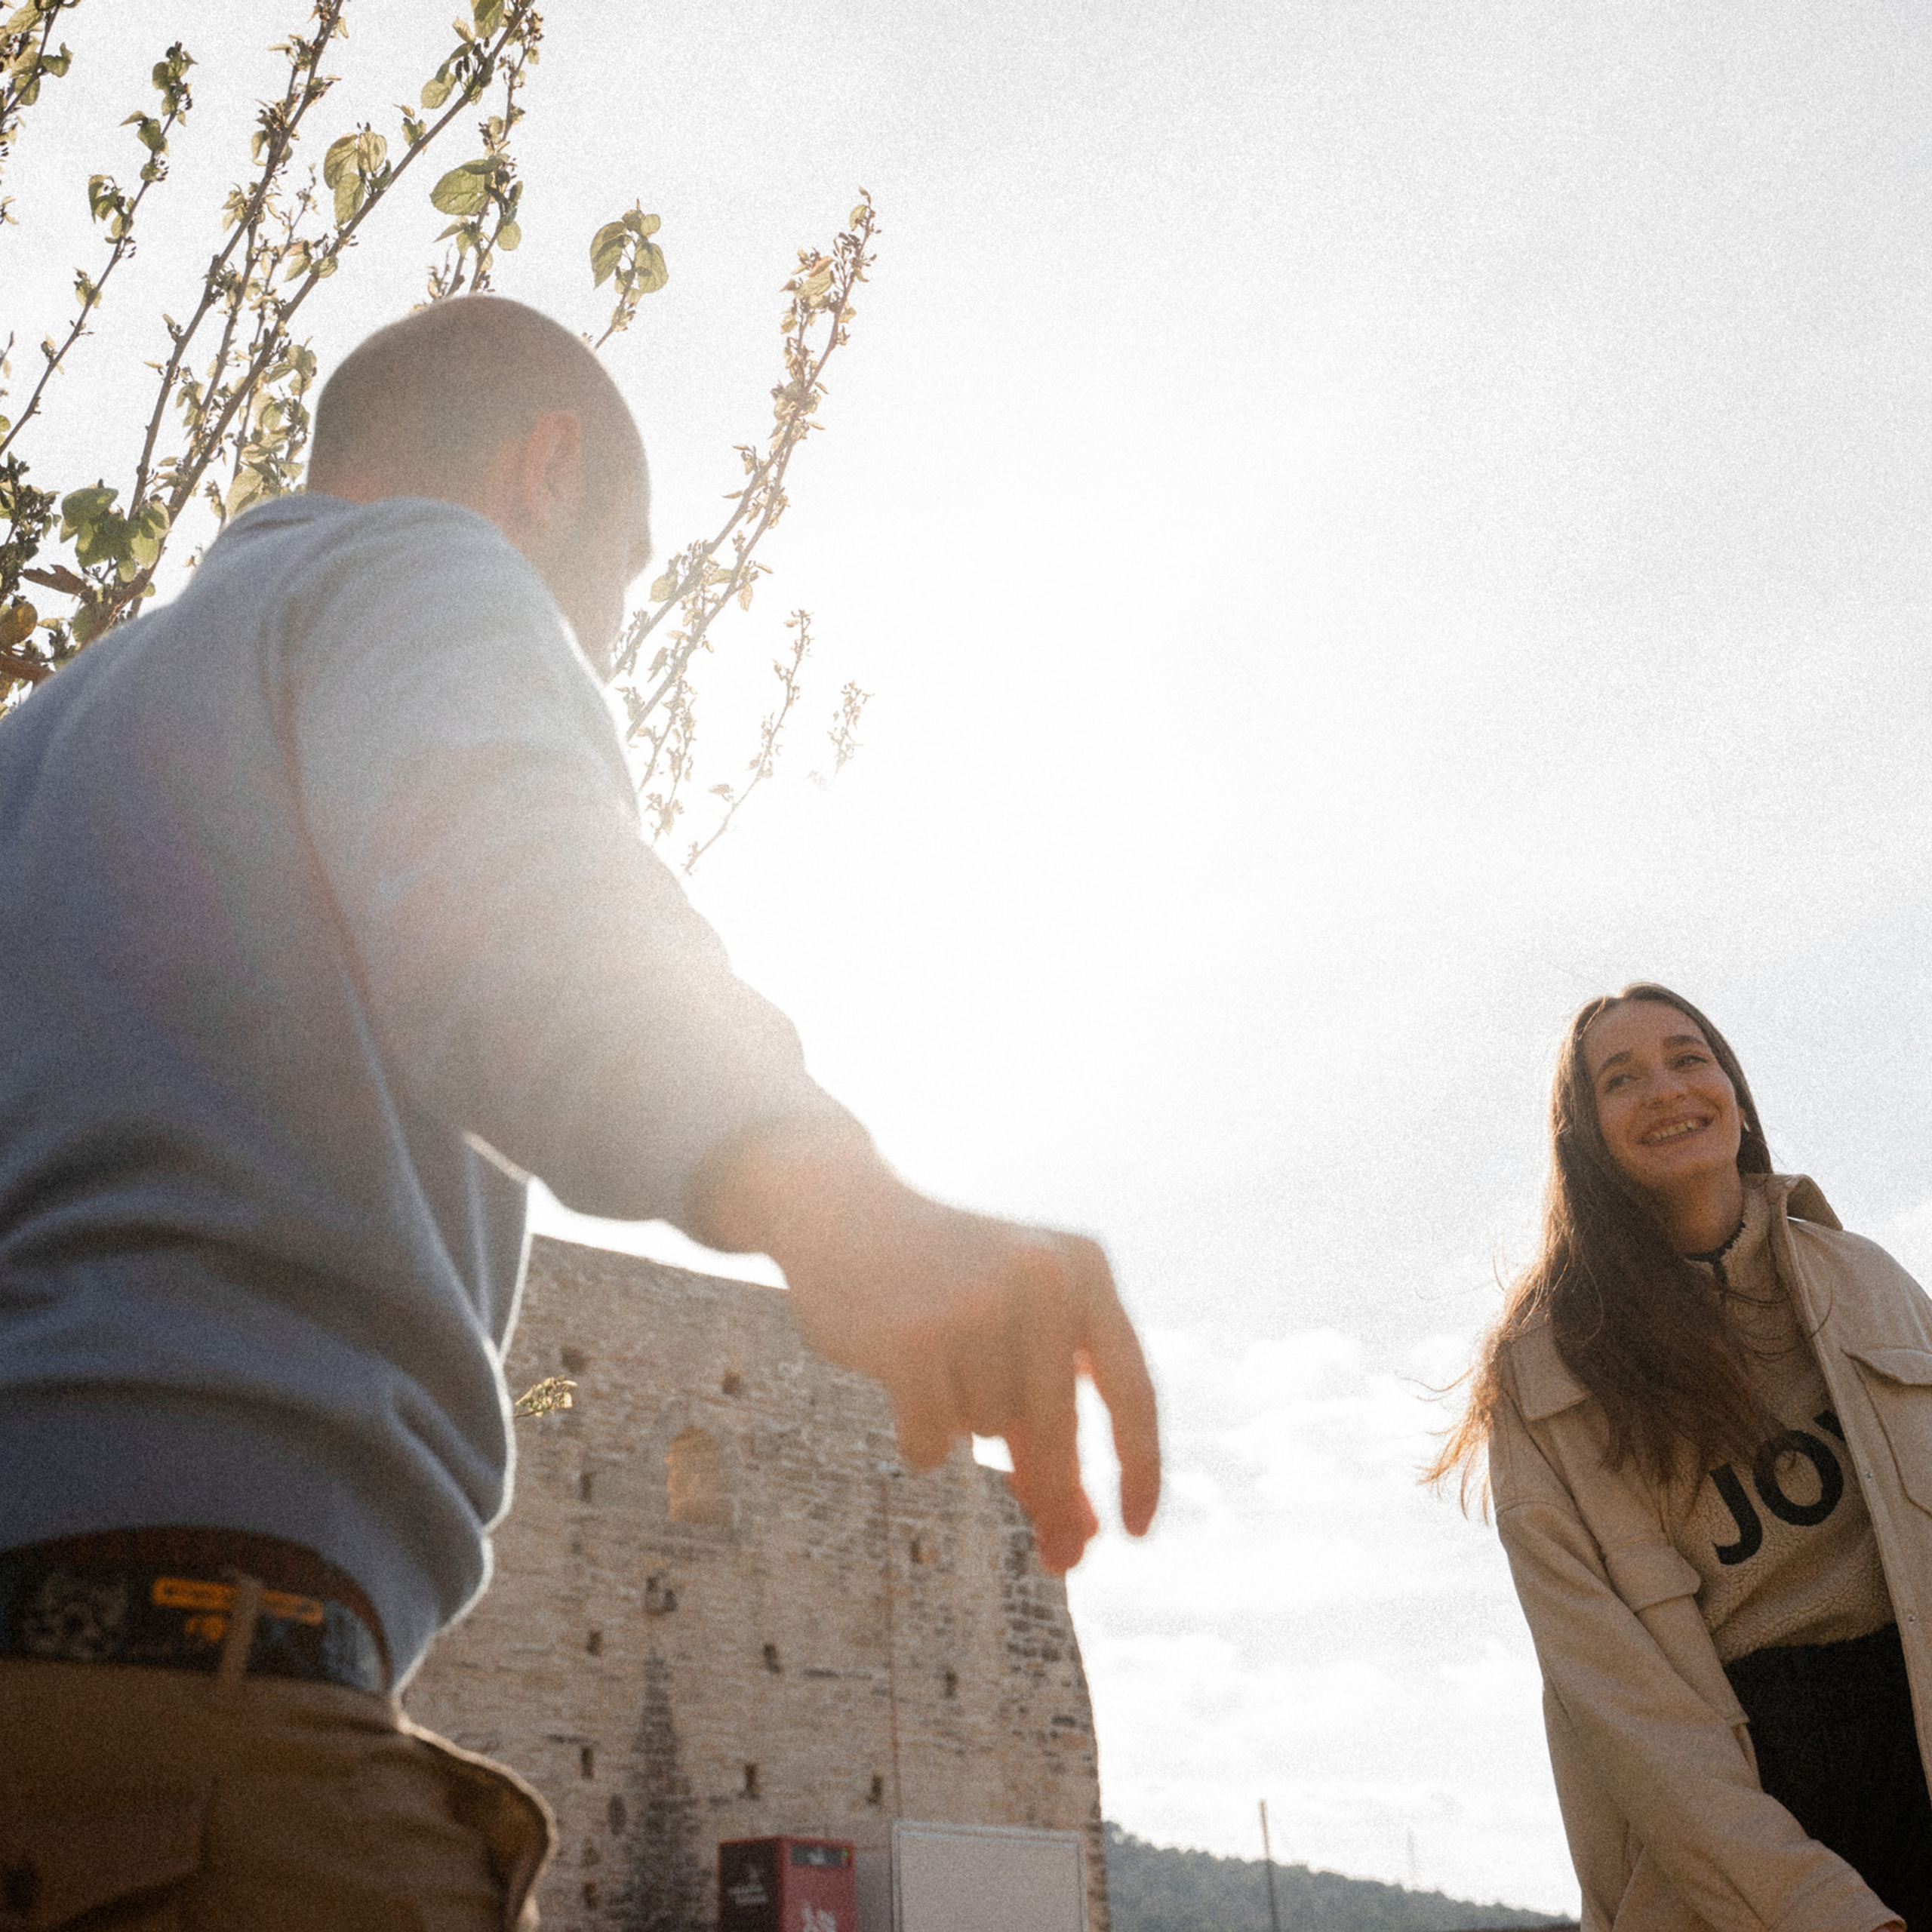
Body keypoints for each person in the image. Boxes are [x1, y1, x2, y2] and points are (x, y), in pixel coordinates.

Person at [0, 296, 1161, 1927]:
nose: (603, 638)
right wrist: (829, 1195)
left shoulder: (44, 740)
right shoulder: (421, 566)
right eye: (626, 574)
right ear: (547, 472)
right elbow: (513, 905)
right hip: (195, 1715)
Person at [1432, 981, 1932, 1931]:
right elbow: (1619, 1701)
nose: (1665, 1090)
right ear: (1584, 1136)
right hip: (1738, 1805)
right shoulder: (1546, 1374)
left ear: (1735, 1097)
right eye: (1620, 1079)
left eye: (1688, 1058)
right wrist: (1816, 1908)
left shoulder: (1865, 1278)